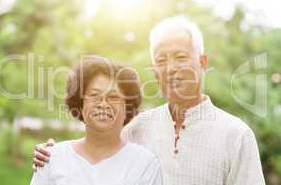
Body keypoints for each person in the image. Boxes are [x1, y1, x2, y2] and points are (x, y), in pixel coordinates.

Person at [33, 16, 265, 185]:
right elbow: (99, 150)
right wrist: (50, 154)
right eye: (161, 60)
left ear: (202, 62)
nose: (171, 68)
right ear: (154, 70)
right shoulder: (138, 127)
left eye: (181, 57)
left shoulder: (236, 135)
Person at [30, 56, 163, 185]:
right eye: (94, 95)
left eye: (113, 97)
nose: (103, 104)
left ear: (127, 107)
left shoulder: (144, 163)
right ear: (80, 104)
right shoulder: (52, 158)